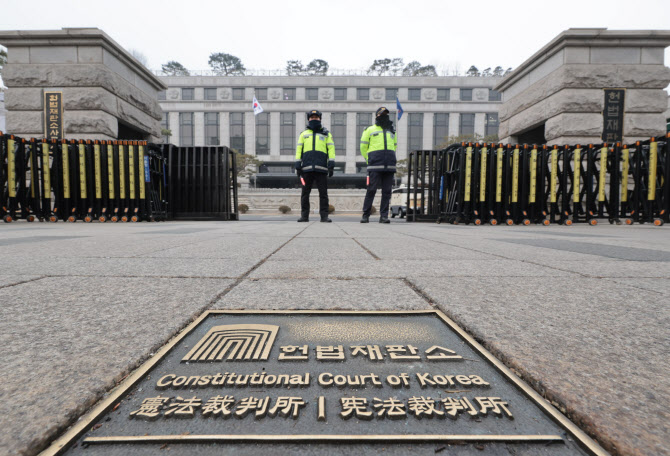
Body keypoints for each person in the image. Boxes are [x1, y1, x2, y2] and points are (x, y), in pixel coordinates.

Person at [295, 110, 336, 222]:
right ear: (308, 119)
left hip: (321, 169)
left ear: (320, 119)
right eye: (312, 117)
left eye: (316, 117)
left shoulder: (326, 134)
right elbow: (299, 150)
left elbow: (331, 149)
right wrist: (298, 164)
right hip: (306, 169)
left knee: (323, 194)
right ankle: (304, 216)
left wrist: (331, 164)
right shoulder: (303, 134)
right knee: (305, 194)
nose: (314, 119)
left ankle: (324, 216)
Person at [359, 107, 397, 223]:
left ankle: (384, 216)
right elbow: (363, 147)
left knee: (387, 192)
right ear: (376, 116)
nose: (384, 116)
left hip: (389, 166)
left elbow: (394, 146)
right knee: (371, 190)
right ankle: (366, 215)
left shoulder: (392, 131)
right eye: (381, 114)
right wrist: (368, 160)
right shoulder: (369, 130)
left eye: (386, 114)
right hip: (374, 166)